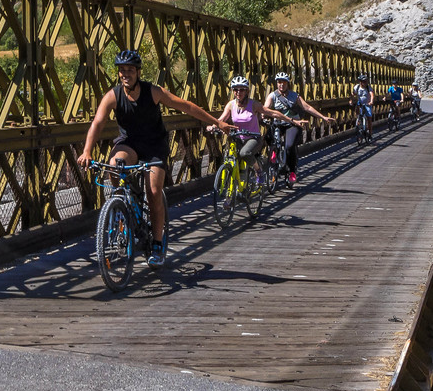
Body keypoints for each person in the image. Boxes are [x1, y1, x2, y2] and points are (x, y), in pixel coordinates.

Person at [77, 49, 235, 266]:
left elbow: (185, 105)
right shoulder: (113, 96)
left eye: (130, 70)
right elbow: (98, 122)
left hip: (154, 146)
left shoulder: (153, 91)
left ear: (138, 72)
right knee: (114, 165)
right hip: (129, 144)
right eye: (122, 70)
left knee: (153, 192)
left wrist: (218, 123)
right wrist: (87, 151)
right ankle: (124, 204)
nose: (125, 74)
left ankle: (158, 244)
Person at [214, 76, 299, 178]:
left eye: (242, 90)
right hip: (238, 137)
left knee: (244, 153)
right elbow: (221, 119)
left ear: (247, 91)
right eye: (235, 89)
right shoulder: (231, 105)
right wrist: (213, 125)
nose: (238, 92)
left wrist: (291, 120)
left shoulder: (253, 104)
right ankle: (238, 187)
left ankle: (259, 171)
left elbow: (273, 113)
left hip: (253, 138)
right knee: (234, 158)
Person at [264, 71, 336, 184]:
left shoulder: (294, 96)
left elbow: (307, 107)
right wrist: (262, 115)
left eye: (283, 82)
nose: (281, 85)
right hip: (278, 123)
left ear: (288, 83)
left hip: (293, 124)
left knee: (289, 146)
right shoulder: (272, 95)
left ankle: (292, 171)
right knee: (268, 137)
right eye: (279, 82)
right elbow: (266, 108)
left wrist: (323, 117)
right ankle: (274, 153)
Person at [354, 73, 375, 141]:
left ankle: (370, 134)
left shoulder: (368, 88)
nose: (366, 83)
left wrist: (371, 101)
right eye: (364, 81)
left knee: (369, 118)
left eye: (366, 81)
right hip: (360, 103)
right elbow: (353, 94)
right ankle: (358, 122)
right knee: (358, 113)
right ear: (360, 82)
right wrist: (351, 100)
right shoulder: (356, 87)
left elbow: (372, 95)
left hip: (367, 104)